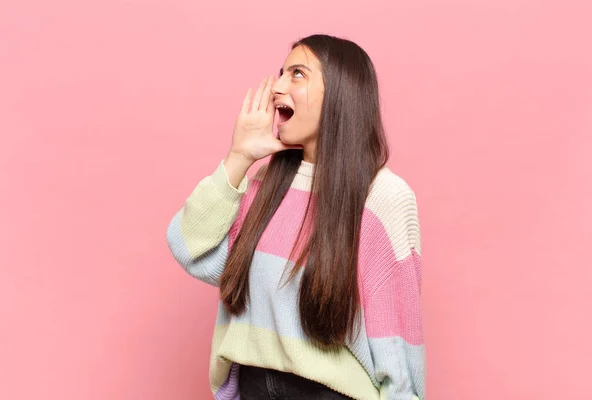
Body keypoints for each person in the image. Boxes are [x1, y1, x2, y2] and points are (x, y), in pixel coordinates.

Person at [166, 34, 425, 400]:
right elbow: (191, 251)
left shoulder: (383, 197)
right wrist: (239, 156)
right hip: (254, 387)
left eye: (297, 74)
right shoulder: (266, 183)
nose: (277, 88)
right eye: (281, 73)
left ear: (340, 92)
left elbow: (397, 341)